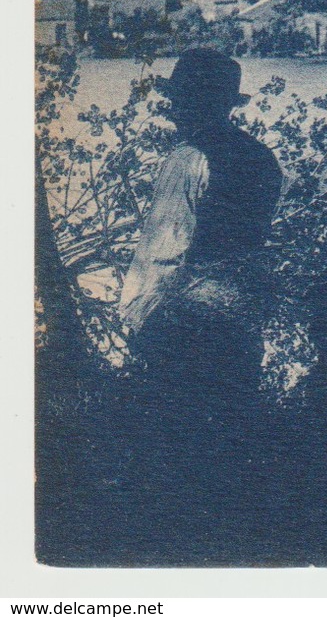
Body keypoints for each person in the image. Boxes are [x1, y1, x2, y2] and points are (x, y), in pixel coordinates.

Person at [117, 48, 284, 550]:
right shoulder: (262, 158)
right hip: (241, 305)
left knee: (181, 427)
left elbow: (165, 249)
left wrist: (139, 315)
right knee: (231, 420)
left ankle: (179, 538)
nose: (175, 107)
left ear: (191, 102)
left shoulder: (189, 160)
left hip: (186, 311)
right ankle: (231, 534)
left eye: (181, 98)